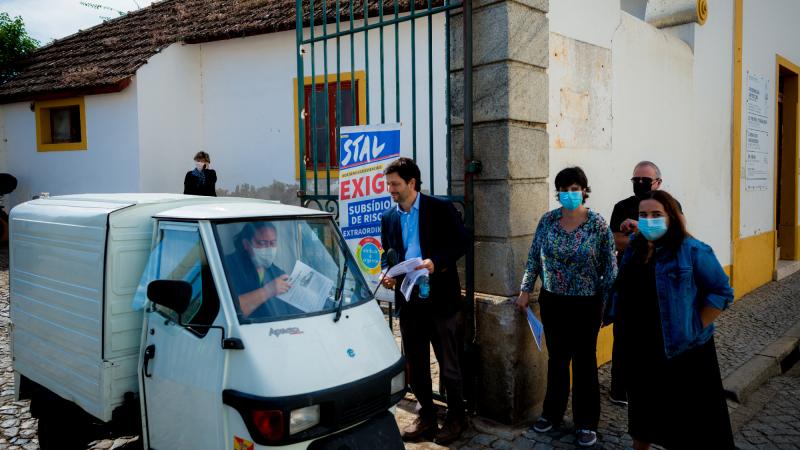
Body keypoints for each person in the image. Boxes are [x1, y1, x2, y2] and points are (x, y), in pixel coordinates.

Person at [612, 190, 734, 450]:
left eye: (657, 214)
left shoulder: (692, 250)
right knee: (642, 414)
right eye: (643, 215)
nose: (649, 220)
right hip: (640, 347)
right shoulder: (636, 247)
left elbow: (722, 292)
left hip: (681, 350)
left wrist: (694, 326)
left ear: (672, 218)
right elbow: (624, 286)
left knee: (682, 423)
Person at [515, 166, 617, 448]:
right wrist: (525, 290)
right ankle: (552, 414)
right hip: (553, 301)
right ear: (557, 192)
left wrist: (610, 305)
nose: (570, 193)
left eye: (575, 188)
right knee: (557, 360)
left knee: (584, 362)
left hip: (587, 303)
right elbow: (534, 257)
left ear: (584, 190)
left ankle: (586, 422)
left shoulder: (597, 224)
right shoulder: (547, 221)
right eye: (564, 189)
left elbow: (610, 267)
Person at [379, 157, 468, 445]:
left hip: (441, 298)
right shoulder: (389, 218)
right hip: (409, 300)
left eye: (395, 184)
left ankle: (456, 419)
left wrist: (436, 262)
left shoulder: (440, 209)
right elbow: (389, 253)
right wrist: (387, 272)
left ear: (411, 183)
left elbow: (461, 243)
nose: (390, 189)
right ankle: (426, 416)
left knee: (449, 364)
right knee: (416, 365)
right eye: (388, 183)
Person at [607, 160, 667, 405]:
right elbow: (615, 240)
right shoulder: (622, 206)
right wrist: (648, 235)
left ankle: (652, 387)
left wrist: (637, 231)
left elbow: (670, 236)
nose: (640, 184)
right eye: (636, 180)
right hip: (628, 281)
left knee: (654, 337)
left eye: (645, 180)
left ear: (658, 182)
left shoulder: (668, 206)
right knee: (623, 337)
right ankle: (619, 389)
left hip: (659, 283)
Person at [225, 221, 300, 320]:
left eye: (273, 243)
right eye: (262, 243)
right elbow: (229, 312)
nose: (269, 248)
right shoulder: (227, 266)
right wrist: (269, 290)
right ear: (246, 244)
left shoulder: (277, 273)